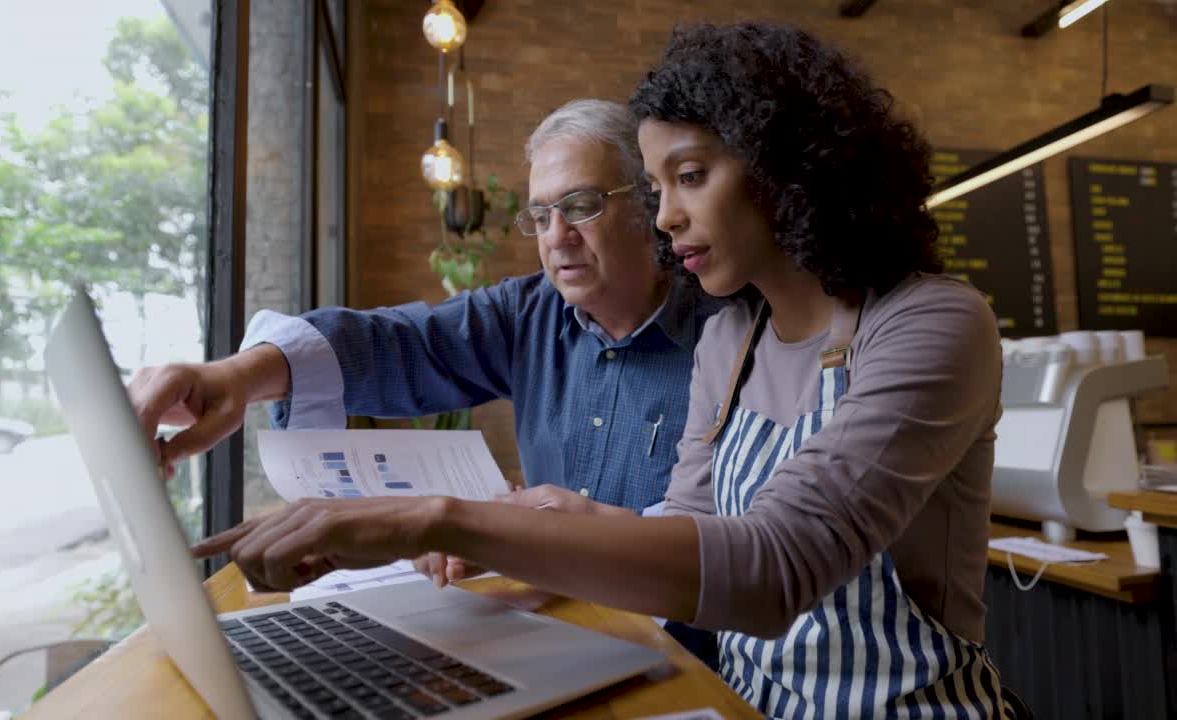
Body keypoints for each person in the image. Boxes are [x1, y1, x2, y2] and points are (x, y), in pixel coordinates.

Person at [182, 22, 1016, 717]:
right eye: (656, 188)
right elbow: (685, 523)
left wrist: (436, 518)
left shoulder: (932, 322)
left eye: (688, 177)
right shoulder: (734, 339)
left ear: (787, 165)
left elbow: (774, 569)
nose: (669, 217)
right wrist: (245, 375)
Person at [129, 99, 723, 576]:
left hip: (691, 657)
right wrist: (236, 376)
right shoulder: (527, 315)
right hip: (553, 628)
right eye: (541, 215)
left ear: (649, 204)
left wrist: (519, 532)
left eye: (581, 205)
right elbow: (399, 344)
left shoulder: (731, 330)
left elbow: (754, 542)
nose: (557, 235)